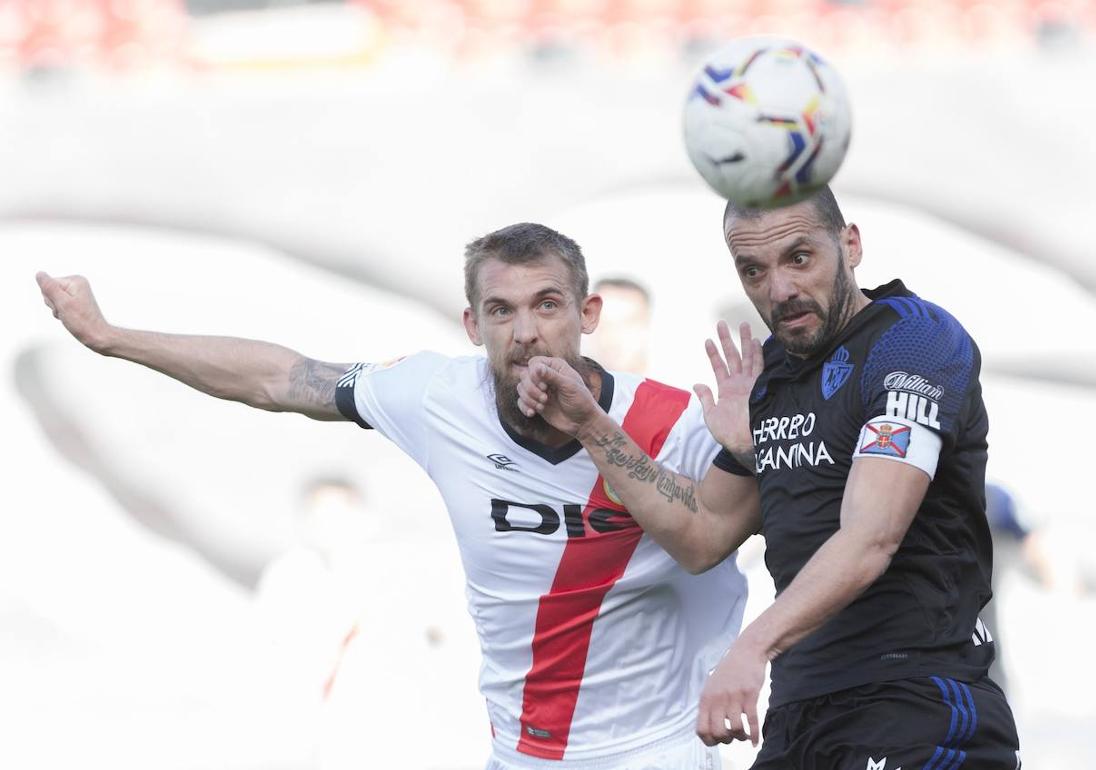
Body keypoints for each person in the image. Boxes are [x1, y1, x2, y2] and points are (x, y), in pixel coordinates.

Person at [34, 222, 747, 770]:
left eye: (548, 305)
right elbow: (283, 379)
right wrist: (112, 338)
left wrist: (594, 427)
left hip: (659, 748)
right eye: (500, 310)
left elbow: (711, 539)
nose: (526, 332)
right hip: (524, 753)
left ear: (587, 314)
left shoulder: (676, 421)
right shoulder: (440, 395)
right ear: (473, 326)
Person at [516, 187, 1023, 768]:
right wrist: (591, 425)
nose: (778, 290)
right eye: (753, 270)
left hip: (915, 700)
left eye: (799, 258)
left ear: (850, 245)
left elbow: (871, 535)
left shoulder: (911, 341)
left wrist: (750, 646)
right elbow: (703, 533)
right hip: (802, 712)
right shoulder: (770, 376)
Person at [584, 277, 652, 375]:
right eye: (603, 324)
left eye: (627, 325)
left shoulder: (674, 386)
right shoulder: (568, 385)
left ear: (646, 325)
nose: (611, 337)